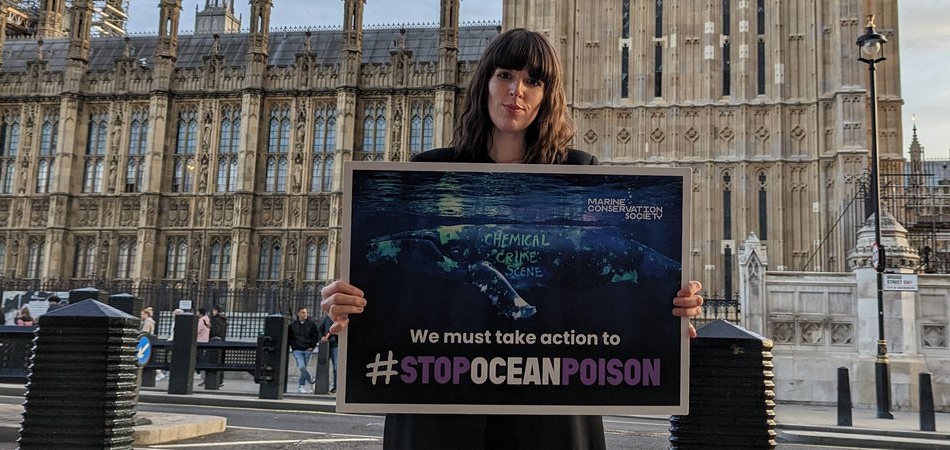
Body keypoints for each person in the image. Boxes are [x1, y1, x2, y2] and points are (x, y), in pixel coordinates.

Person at [319, 28, 706, 450]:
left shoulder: (580, 170)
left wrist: (674, 307)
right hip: (441, 403)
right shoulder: (428, 170)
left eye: (533, 81)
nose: (516, 91)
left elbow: (623, 299)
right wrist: (347, 304)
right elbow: (387, 299)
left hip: (550, 403)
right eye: (505, 75)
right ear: (485, 80)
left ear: (547, 95)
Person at [288, 307, 321, 391]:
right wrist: (294, 347)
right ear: (298, 313)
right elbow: (290, 337)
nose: (305, 314)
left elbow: (315, 336)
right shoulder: (293, 325)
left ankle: (301, 386)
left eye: (306, 312)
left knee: (304, 367)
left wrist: (312, 347)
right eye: (303, 312)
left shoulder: (311, 324)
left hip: (308, 349)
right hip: (297, 350)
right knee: (301, 366)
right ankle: (311, 379)